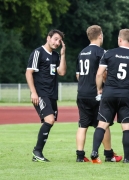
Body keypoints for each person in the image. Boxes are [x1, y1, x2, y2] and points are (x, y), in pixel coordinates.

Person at [75, 25, 122, 163]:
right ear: (100, 35)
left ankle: (80, 155)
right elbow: (104, 73)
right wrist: (101, 87)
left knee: (82, 125)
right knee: (104, 123)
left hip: (81, 93)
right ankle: (109, 154)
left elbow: (78, 75)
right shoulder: (102, 52)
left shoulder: (82, 52)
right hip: (96, 93)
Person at [90, 29, 129, 163]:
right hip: (126, 93)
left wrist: (99, 89)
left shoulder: (109, 53)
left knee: (102, 124)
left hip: (109, 92)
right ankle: (127, 158)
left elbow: (99, 74)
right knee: (127, 127)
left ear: (119, 39)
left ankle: (94, 151)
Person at [25, 29, 66, 162]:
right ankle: (37, 151)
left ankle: (37, 154)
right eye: (55, 39)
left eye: (59, 40)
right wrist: (33, 92)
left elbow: (62, 72)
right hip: (41, 93)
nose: (57, 42)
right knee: (49, 120)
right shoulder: (38, 52)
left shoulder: (55, 56)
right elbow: (29, 73)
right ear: (48, 38)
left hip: (52, 94)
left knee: (49, 121)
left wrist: (63, 55)